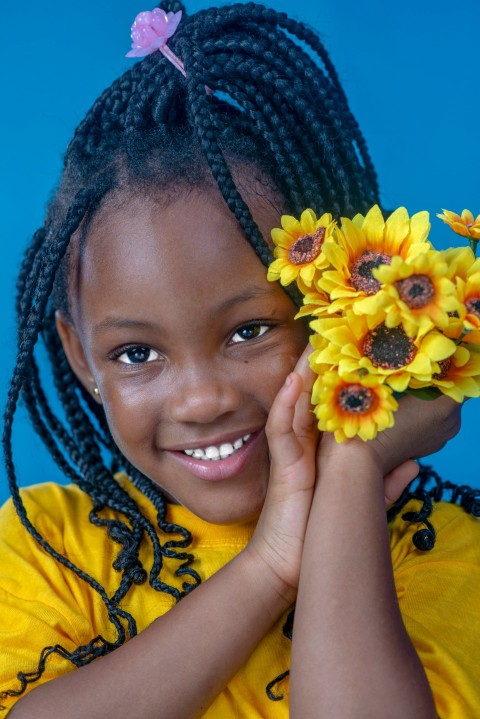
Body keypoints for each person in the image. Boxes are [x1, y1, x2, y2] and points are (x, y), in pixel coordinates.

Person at [1, 2, 480, 717]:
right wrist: (267, 566)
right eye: (136, 352)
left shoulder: (439, 549)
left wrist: (350, 467)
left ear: (341, 303)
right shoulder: (55, 546)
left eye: (249, 331)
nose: (201, 399)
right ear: (80, 358)